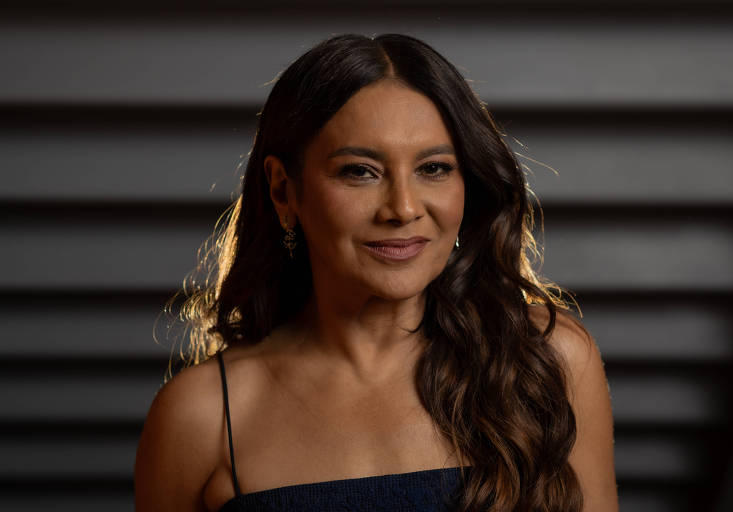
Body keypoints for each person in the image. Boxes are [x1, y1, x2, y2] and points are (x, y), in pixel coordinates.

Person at [134, 33, 617, 512]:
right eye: (360, 171)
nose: (403, 208)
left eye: (433, 168)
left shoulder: (548, 362)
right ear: (284, 191)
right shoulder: (201, 416)